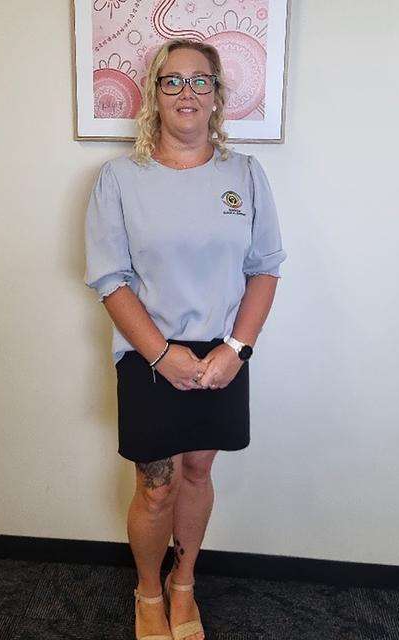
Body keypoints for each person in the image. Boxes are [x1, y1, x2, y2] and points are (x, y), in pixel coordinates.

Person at [83, 38, 286, 640]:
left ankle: (184, 583)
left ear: (218, 97)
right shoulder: (119, 178)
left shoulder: (245, 174)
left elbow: (266, 267)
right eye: (173, 81)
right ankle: (147, 592)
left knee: (198, 472)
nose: (187, 93)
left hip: (223, 354)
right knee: (156, 485)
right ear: (155, 94)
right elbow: (109, 279)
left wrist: (235, 350)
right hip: (151, 356)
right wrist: (163, 355)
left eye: (201, 82)